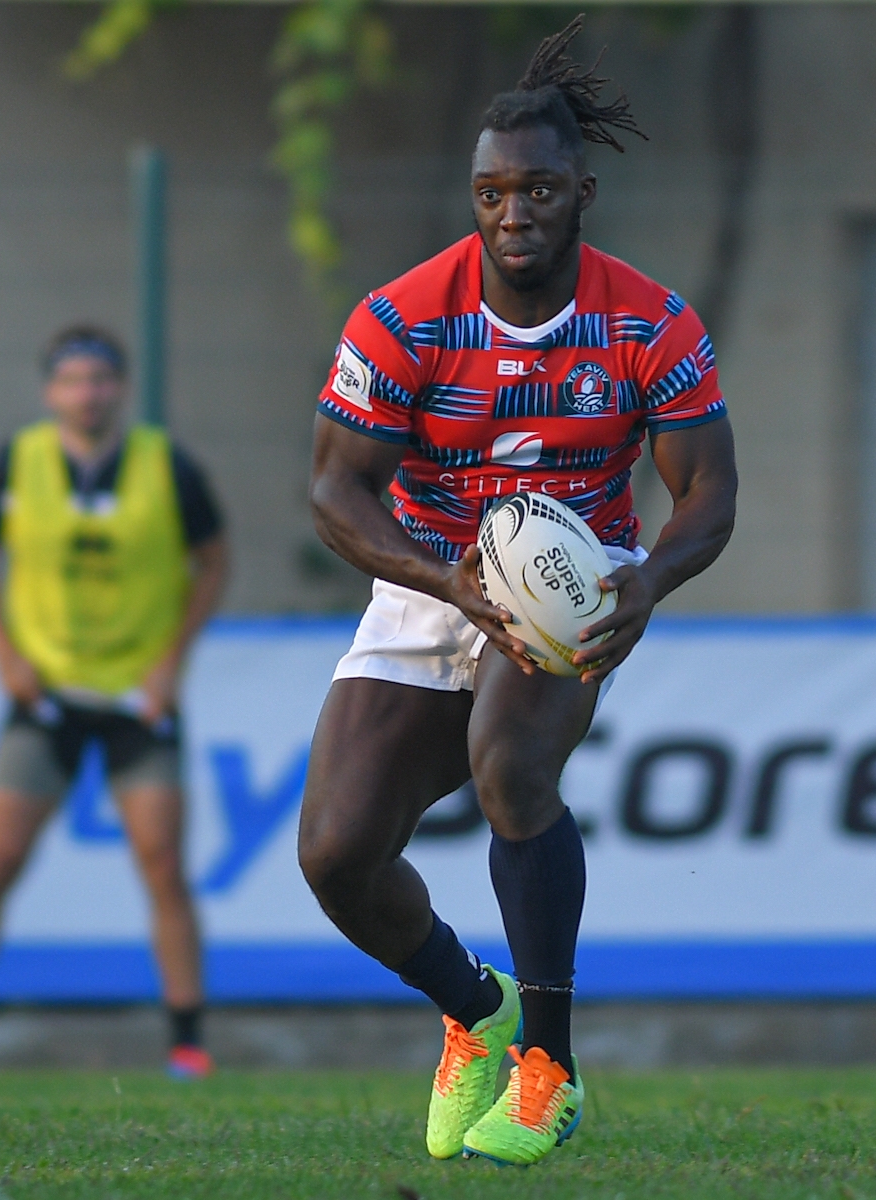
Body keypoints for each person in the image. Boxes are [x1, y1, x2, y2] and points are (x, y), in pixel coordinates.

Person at [296, 17, 736, 1167]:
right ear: (474, 196)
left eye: (539, 189)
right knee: (336, 857)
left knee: (511, 763)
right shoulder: (401, 318)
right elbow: (338, 494)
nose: (514, 213)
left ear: (582, 191)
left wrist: (647, 582)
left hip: (572, 585)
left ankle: (551, 1067)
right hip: (435, 580)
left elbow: (709, 497)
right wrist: (447, 582)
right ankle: (474, 1009)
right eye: (492, 193)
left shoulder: (649, 321)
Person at [0, 326, 229, 1082]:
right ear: (51, 390)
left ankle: (188, 1042)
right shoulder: (14, 463)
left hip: (137, 698)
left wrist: (170, 664)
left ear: (120, 388)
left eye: (101, 379)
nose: (88, 392)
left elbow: (213, 560)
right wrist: (6, 657)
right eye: (74, 380)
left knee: (162, 866)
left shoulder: (167, 466)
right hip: (46, 690)